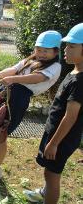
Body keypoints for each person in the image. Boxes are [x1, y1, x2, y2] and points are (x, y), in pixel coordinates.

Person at [0, 30, 63, 182]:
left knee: (1, 134)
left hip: (19, 97)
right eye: (39, 49)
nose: (41, 53)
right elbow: (13, 69)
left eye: (46, 51)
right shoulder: (31, 60)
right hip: (7, 92)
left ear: (55, 51)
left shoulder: (55, 66)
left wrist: (13, 79)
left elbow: (37, 78)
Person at [24, 23, 83, 204]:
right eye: (66, 45)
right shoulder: (75, 71)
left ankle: (48, 198)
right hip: (56, 133)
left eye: (72, 46)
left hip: (62, 138)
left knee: (52, 174)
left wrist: (54, 144)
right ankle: (44, 192)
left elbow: (71, 116)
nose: (66, 49)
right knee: (49, 171)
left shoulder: (80, 82)